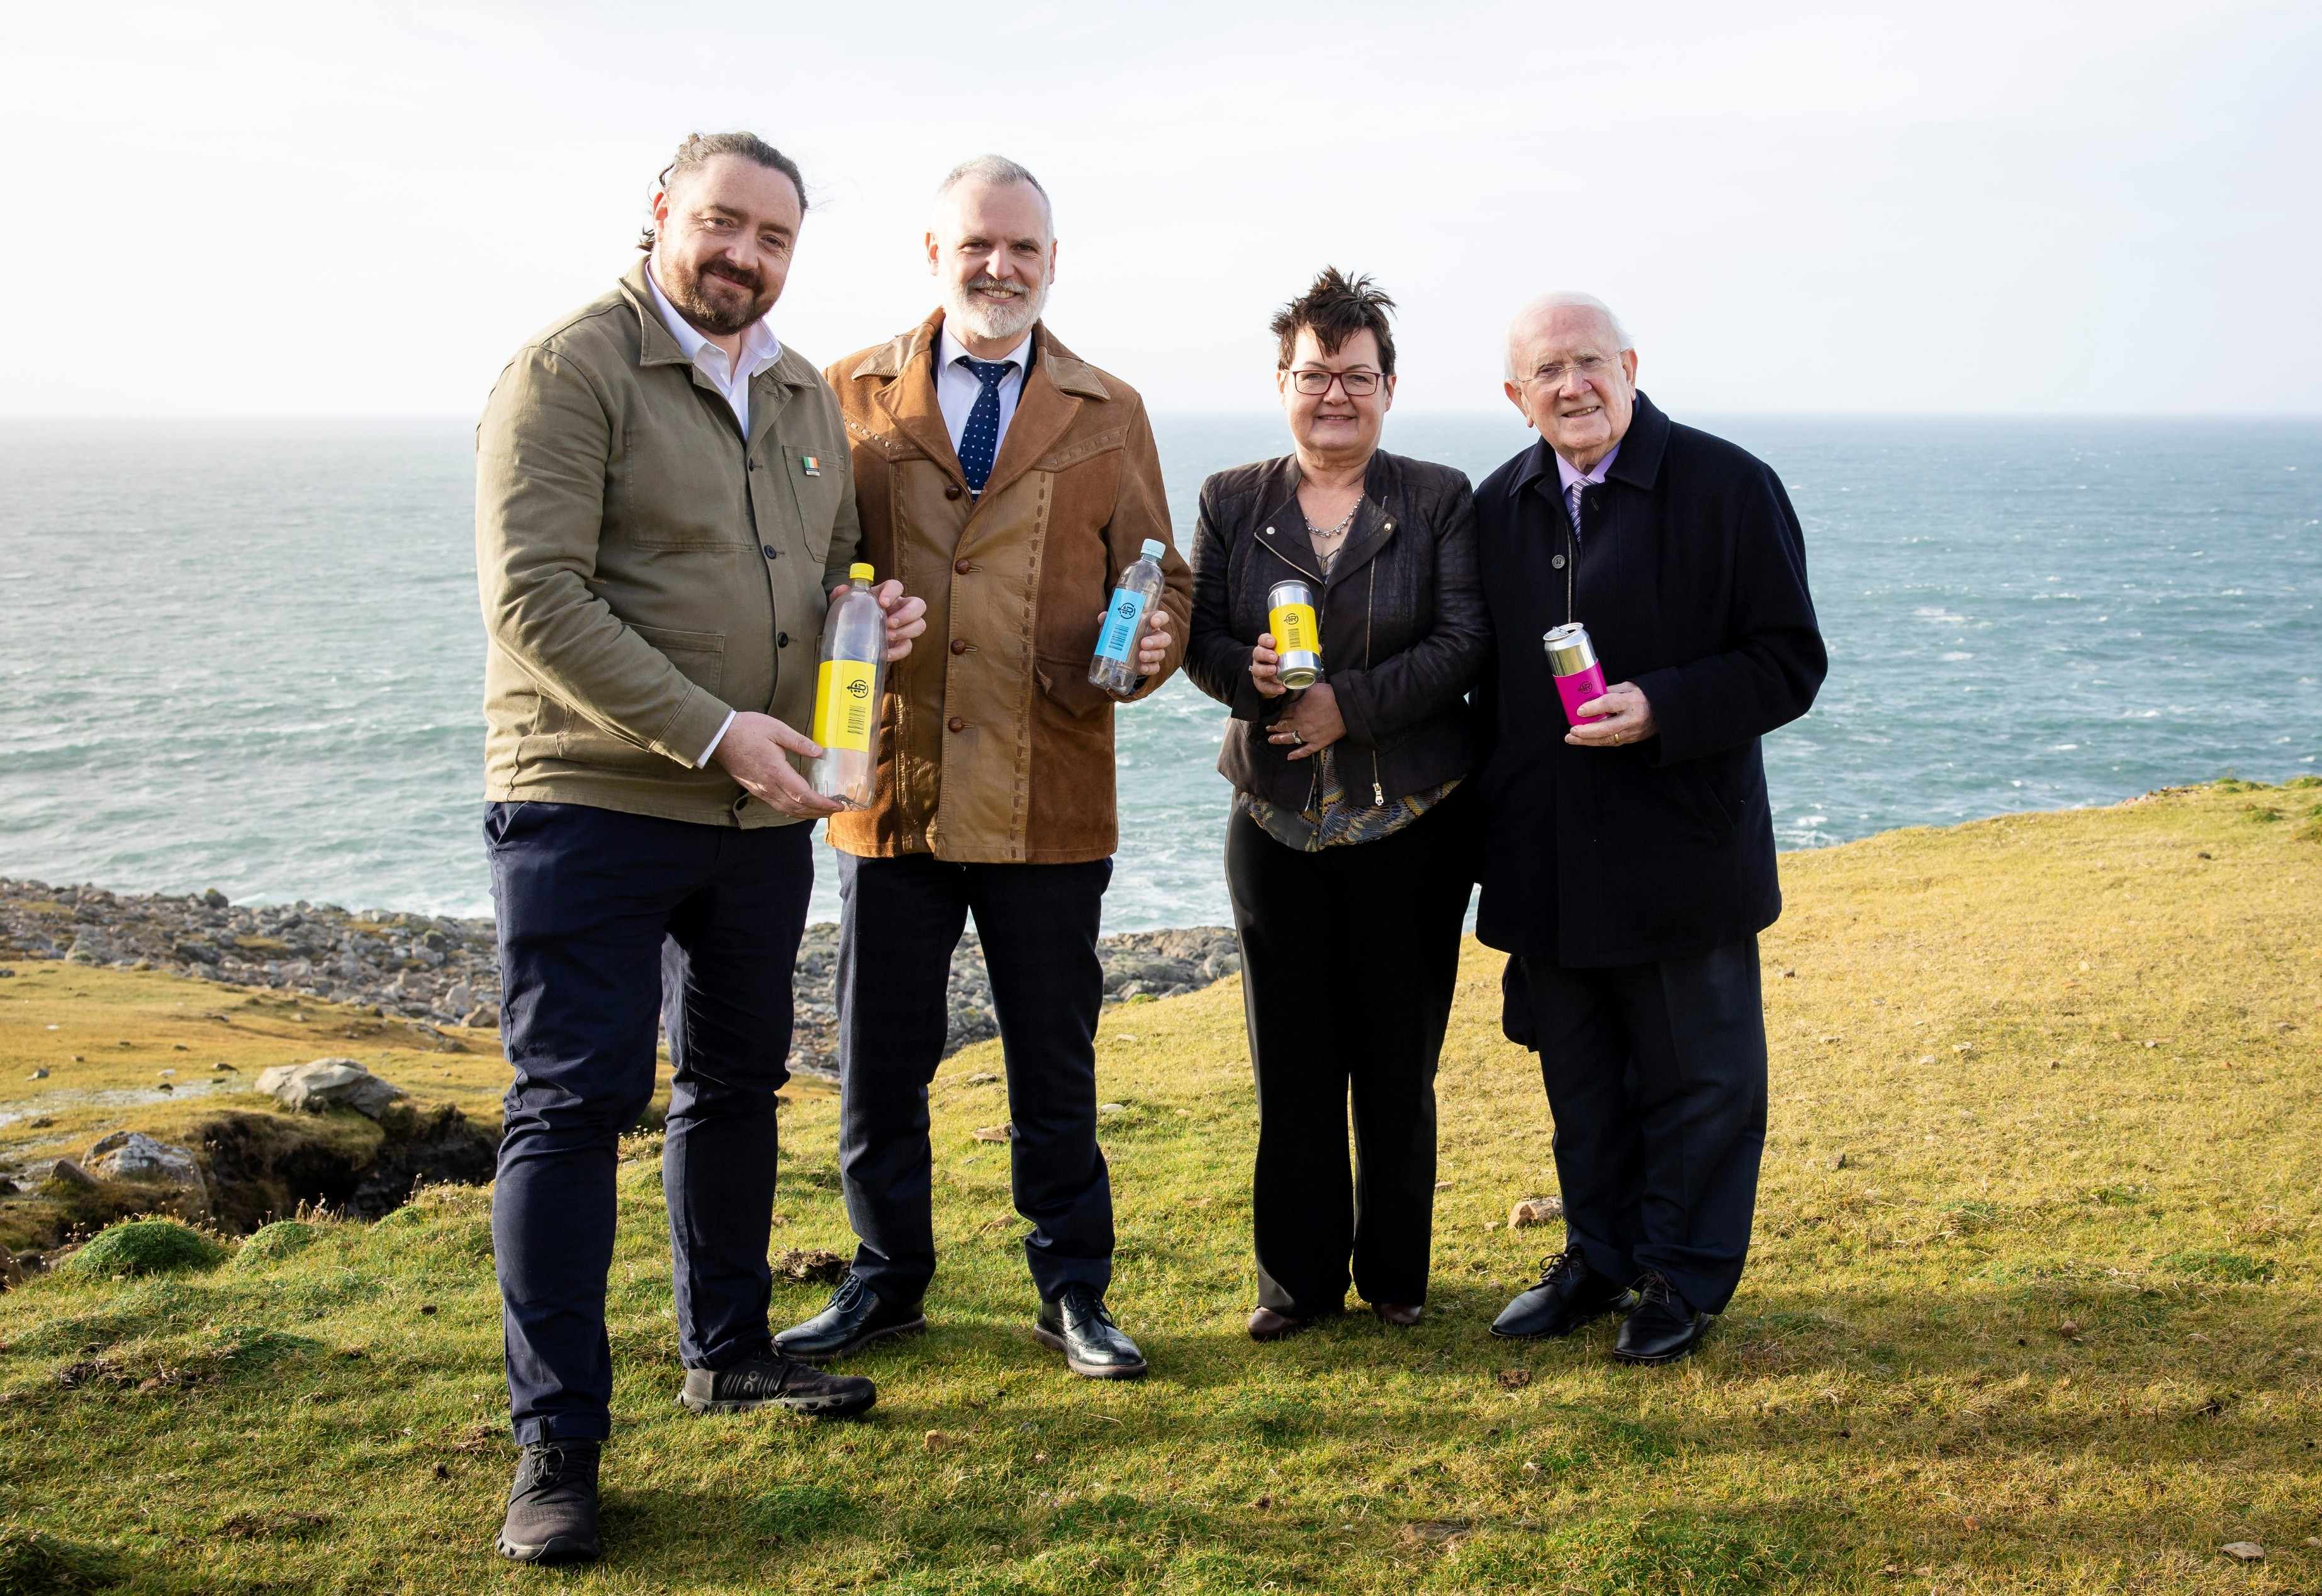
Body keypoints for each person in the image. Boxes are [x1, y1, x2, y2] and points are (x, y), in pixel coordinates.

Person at [473, 132, 928, 1565]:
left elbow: (822, 578)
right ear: (662, 213)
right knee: (572, 1107)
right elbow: (534, 599)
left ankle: (727, 1350)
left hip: (759, 811)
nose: (744, 255)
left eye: (773, 237)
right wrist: (712, 727)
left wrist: (872, 632)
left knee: (735, 1085)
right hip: (592, 800)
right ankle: (558, 1445)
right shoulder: (569, 367)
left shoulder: (801, 389)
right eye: (722, 224)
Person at [774, 157, 1189, 1381]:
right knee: (879, 1065)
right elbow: (802, 573)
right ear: (934, 254)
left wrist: (1153, 649)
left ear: (1054, 265)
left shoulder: (1111, 408)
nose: (999, 267)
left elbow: (1160, 582)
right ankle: (884, 1282)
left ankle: (1073, 1293)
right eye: (977, 247)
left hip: (1051, 793)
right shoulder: (842, 393)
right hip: (889, 788)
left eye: (1023, 249)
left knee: (1054, 1066)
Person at [1471, 292, 1825, 1364]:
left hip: (1684, 850)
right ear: (1514, 395)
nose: (1571, 386)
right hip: (1549, 859)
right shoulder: (1498, 505)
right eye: (1547, 371)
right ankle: (1598, 1256)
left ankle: (1682, 1276)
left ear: (1628, 364)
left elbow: (1788, 660)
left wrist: (1663, 703)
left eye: (1589, 362)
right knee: (1579, 1079)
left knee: (1698, 1082)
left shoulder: (1727, 485)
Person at [1183, 269, 1487, 1340]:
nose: (1334, 396)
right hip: (1269, 822)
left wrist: (1342, 710)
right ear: (1282, 382)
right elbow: (1198, 643)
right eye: (1313, 376)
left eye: (1356, 377)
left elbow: (1463, 645)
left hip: (1410, 818)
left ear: (1389, 387)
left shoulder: (1439, 496)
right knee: (1292, 1060)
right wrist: (1248, 674)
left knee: (1396, 1060)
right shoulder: (1230, 498)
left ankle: (1395, 1275)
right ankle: (1295, 1284)